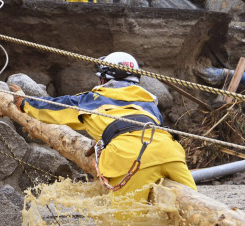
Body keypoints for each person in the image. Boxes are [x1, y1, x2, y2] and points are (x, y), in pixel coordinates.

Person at [11, 52, 196, 204]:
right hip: (171, 152)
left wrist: (24, 103)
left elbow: (52, 107)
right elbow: (138, 126)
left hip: (131, 157)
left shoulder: (91, 100)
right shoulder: (148, 102)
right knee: (198, 211)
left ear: (104, 79)